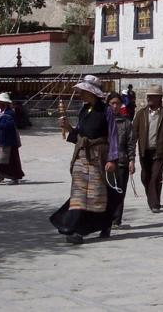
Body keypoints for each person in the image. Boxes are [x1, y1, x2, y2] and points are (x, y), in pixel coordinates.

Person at [51, 75, 119, 244]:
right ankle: (74, 229)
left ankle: (103, 224)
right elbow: (79, 134)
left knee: (96, 194)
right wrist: (68, 128)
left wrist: (112, 159)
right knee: (79, 193)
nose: (80, 93)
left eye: (83, 91)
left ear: (92, 92)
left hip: (98, 156)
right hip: (82, 155)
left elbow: (113, 135)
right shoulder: (84, 110)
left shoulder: (106, 111)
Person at [132, 84, 163, 213]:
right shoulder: (141, 114)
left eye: (152, 96)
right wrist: (130, 153)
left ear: (159, 98)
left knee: (155, 177)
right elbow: (134, 134)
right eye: (148, 96)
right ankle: (153, 198)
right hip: (144, 151)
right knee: (145, 177)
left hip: (159, 151)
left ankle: (154, 203)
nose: (149, 98)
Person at [107, 92, 135, 227]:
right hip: (106, 161)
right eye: (112, 103)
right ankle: (105, 218)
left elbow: (131, 142)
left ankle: (116, 219)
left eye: (117, 103)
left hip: (122, 161)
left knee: (120, 191)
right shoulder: (104, 122)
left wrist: (132, 160)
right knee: (107, 191)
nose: (114, 106)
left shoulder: (126, 123)